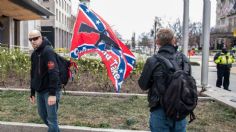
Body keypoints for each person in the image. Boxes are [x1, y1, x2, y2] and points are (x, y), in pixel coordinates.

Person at [138, 28, 191, 132]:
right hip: (180, 110)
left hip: (160, 110)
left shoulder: (152, 60)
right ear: (173, 40)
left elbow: (143, 85)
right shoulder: (184, 59)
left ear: (157, 42)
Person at [29, 29, 61, 132]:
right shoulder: (34, 54)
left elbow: (54, 72)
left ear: (41, 37)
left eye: (35, 38)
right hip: (40, 91)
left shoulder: (48, 51)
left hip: (50, 91)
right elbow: (33, 73)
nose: (33, 41)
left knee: (52, 120)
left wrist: (52, 93)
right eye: (30, 39)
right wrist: (32, 92)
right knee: (43, 115)